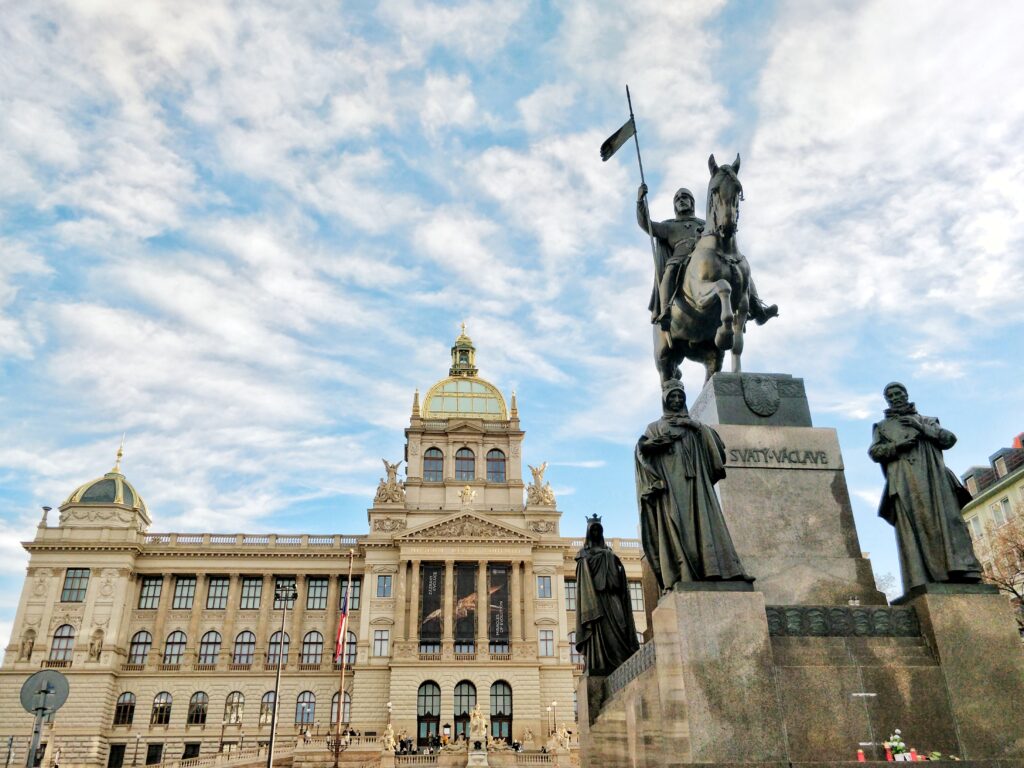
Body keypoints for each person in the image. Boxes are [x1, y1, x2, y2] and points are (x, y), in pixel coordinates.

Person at [635, 379, 752, 589]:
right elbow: (641, 453)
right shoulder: (655, 427)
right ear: (665, 400)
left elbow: (716, 446)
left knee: (706, 525)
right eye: (672, 397)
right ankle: (684, 573)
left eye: (680, 396)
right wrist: (651, 446)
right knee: (678, 526)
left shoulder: (695, 427)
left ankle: (715, 570)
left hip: (697, 487)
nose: (677, 400)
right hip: (672, 487)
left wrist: (695, 425)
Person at [868, 382, 982, 589]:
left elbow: (949, 439)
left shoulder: (928, 421)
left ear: (906, 394)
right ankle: (923, 578)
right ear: (887, 399)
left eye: (898, 393)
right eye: (891, 395)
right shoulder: (882, 427)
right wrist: (897, 446)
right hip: (905, 480)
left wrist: (921, 428)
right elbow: (875, 452)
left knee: (949, 522)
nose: (895, 397)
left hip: (934, 479)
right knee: (914, 527)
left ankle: (961, 570)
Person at [574, 515, 639, 675]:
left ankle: (622, 661)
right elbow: (584, 581)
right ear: (589, 532)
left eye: (598, 529)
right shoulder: (583, 554)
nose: (596, 532)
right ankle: (600, 662)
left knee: (621, 626)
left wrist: (614, 564)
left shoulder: (609, 552)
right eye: (593, 530)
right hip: (595, 600)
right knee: (599, 633)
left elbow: (619, 576)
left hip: (611, 596)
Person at [637, 184, 705, 333]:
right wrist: (640, 201)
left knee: (733, 263)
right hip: (679, 259)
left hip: (703, 259)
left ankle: (752, 306)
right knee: (671, 269)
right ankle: (666, 309)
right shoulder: (668, 226)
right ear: (674, 205)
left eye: (685, 197)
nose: (681, 200)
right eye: (677, 199)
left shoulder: (703, 224)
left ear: (692, 202)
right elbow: (646, 224)